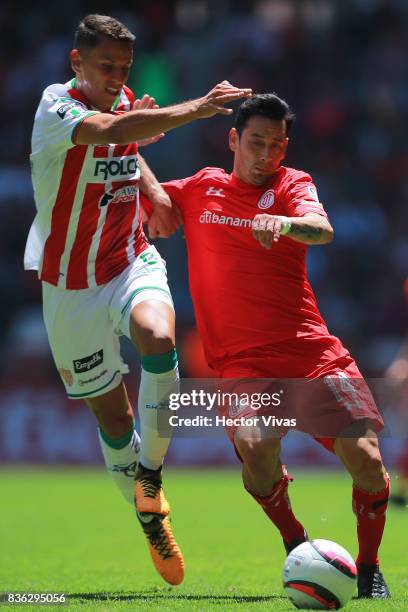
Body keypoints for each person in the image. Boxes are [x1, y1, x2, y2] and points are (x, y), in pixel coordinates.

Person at [24, 13, 251, 586]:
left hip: (129, 258)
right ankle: (149, 514)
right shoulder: (55, 108)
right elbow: (106, 131)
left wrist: (151, 191)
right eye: (106, 67)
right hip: (71, 285)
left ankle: (150, 474)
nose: (117, 77)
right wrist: (195, 109)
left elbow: (125, 138)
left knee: (159, 336)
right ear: (77, 63)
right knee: (113, 416)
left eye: (123, 68)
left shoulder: (121, 97)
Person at [142, 94, 392, 599]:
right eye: (256, 143)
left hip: (310, 351)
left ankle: (368, 567)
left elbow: (321, 229)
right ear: (233, 140)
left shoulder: (291, 184)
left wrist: (283, 223)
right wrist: (136, 150)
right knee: (256, 449)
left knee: (367, 461)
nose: (266, 156)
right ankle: (296, 542)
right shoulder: (201, 188)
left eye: (276, 146)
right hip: (243, 363)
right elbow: (135, 181)